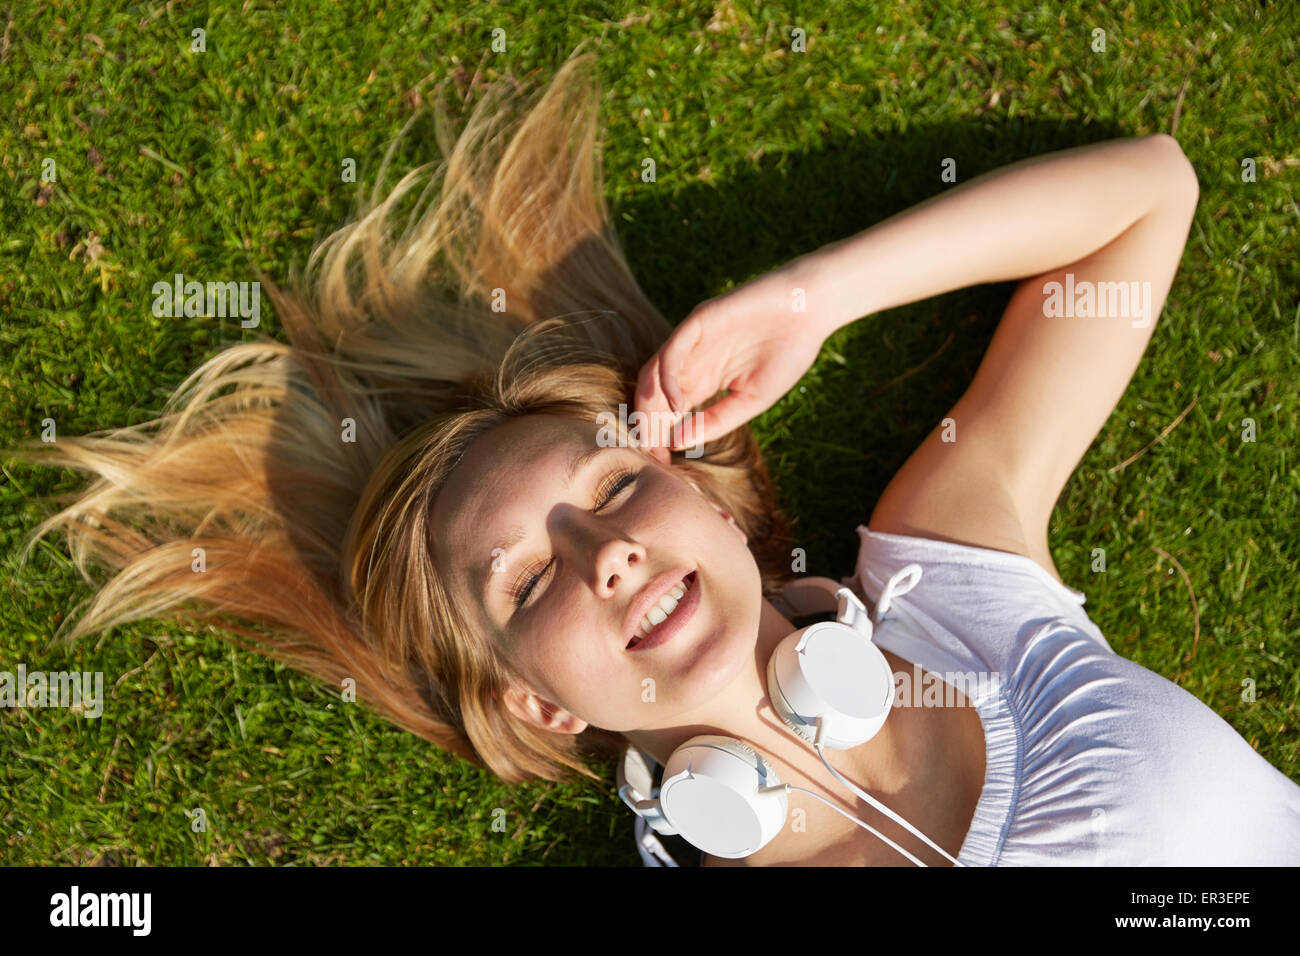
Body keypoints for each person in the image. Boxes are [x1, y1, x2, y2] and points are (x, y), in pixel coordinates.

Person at [10, 48, 1298, 867]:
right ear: (537, 704)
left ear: (715, 502)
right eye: (524, 584)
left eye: (613, 486)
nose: (606, 553)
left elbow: (1147, 197)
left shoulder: (955, 583)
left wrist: (816, 296)